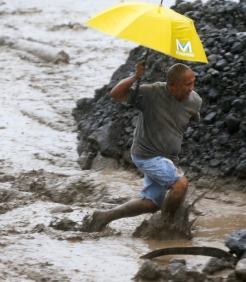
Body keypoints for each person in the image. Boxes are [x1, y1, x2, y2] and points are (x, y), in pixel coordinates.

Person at [83, 60, 202, 232]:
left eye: (193, 83)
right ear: (173, 85)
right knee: (180, 185)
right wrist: (135, 76)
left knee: (151, 203)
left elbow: (193, 116)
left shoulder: (194, 101)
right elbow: (116, 94)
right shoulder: (151, 93)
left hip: (165, 158)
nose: (192, 88)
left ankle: (104, 216)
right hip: (147, 155)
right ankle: (165, 228)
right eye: (188, 85)